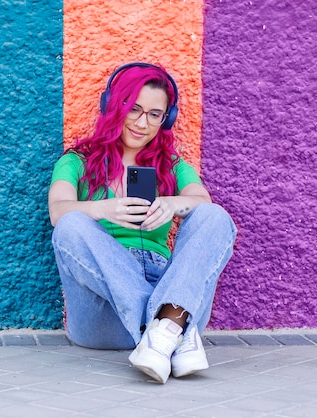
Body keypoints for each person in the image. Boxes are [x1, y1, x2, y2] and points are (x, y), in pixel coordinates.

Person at [48, 62, 237, 383]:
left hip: (171, 290)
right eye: (133, 109)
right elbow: (57, 211)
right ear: (113, 106)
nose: (141, 122)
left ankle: (164, 331)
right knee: (71, 224)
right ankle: (169, 327)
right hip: (103, 319)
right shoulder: (76, 162)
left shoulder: (172, 166)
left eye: (154, 114)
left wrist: (175, 203)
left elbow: (202, 202)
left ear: (167, 119)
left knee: (213, 215)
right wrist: (103, 209)